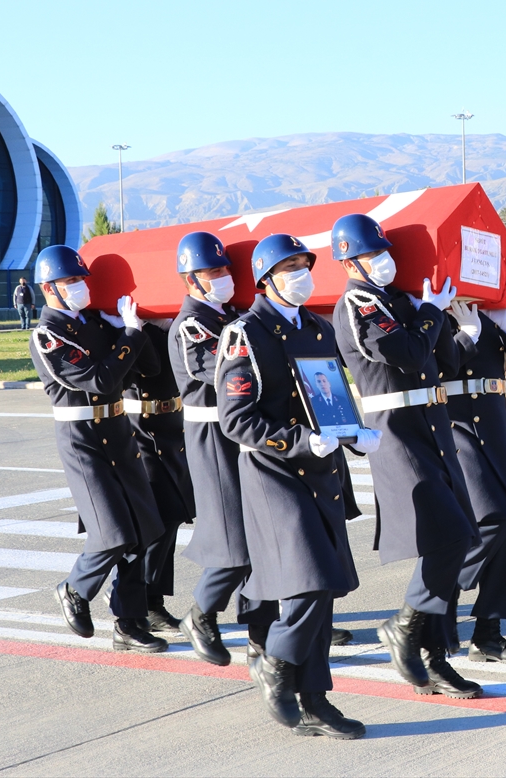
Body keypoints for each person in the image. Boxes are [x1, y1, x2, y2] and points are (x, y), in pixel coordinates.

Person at [216, 232, 375, 737]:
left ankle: (316, 701)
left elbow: (330, 395)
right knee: (306, 586)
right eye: (290, 268)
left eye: (304, 265)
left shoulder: (317, 327)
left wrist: (353, 434)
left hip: (321, 472)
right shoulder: (245, 333)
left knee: (323, 590)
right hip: (275, 474)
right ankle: (277, 671)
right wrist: (301, 442)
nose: (301, 275)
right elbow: (236, 420)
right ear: (266, 279)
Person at [330, 214, 482, 698]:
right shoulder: (357, 304)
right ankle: (406, 624)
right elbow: (407, 354)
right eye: (373, 254)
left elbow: (443, 362)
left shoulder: (398, 301)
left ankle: (436, 656)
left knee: (458, 536)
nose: (384, 261)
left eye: (385, 251)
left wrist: (461, 330)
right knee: (449, 535)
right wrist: (430, 313)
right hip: (395, 431)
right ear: (350, 261)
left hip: (431, 426)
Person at [29, 245, 168, 653]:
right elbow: (100, 381)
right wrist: (126, 335)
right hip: (83, 442)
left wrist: (136, 328)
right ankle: (74, 588)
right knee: (111, 534)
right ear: (49, 289)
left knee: (142, 531)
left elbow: (151, 369)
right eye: (70, 281)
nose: (79, 287)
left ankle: (129, 623)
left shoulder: (94, 322)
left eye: (81, 279)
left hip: (118, 432)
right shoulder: (48, 336)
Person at [168, 232, 283, 667]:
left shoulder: (234, 315)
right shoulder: (191, 325)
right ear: (190, 281)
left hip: (244, 432)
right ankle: (200, 613)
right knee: (236, 541)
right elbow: (222, 368)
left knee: (259, 537)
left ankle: (261, 633)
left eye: (225, 270)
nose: (223, 278)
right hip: (213, 437)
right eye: (212, 272)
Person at [441, 287, 506, 664]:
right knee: (490, 521)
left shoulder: (491, 312)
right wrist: (464, 334)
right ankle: (432, 605)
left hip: (495, 429)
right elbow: (433, 366)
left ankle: (488, 633)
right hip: (457, 427)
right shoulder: (436, 310)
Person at [122, 316, 195, 635]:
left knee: (173, 516)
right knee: (151, 521)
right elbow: (146, 368)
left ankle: (153, 602)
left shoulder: (180, 320)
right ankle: (137, 604)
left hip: (172, 424)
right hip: (142, 426)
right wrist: (131, 328)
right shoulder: (132, 321)